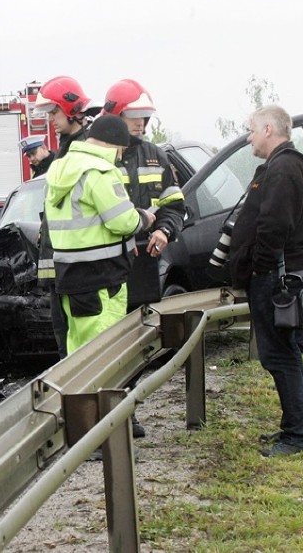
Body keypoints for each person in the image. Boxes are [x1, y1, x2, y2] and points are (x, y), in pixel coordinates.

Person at [228, 105, 303, 457]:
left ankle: (296, 437)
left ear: (267, 129)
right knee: (287, 353)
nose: (249, 137)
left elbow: (273, 226)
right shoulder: (285, 164)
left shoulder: (282, 168)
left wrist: (260, 269)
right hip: (277, 274)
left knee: (280, 355)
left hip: (274, 277)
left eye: (251, 130)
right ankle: (297, 428)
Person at [102, 79, 185, 438]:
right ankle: (112, 414)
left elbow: (175, 205)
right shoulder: (99, 155)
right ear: (116, 115)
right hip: (107, 262)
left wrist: (164, 231)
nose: (141, 124)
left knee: (137, 340)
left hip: (143, 265)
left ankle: (129, 412)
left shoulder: (156, 155)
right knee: (107, 340)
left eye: (146, 117)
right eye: (135, 116)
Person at [43, 113, 155, 354]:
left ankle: (77, 392)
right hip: (102, 278)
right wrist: (144, 218)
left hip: (70, 276)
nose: (121, 156)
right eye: (121, 150)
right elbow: (122, 221)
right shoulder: (100, 171)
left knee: (79, 350)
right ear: (112, 143)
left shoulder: (61, 168)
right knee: (104, 353)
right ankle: (103, 393)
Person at [32, 76, 101, 359]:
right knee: (67, 345)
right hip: (63, 270)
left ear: (71, 109)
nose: (50, 119)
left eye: (54, 112)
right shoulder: (66, 146)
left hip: (84, 270)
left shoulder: (87, 146)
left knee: (84, 349)